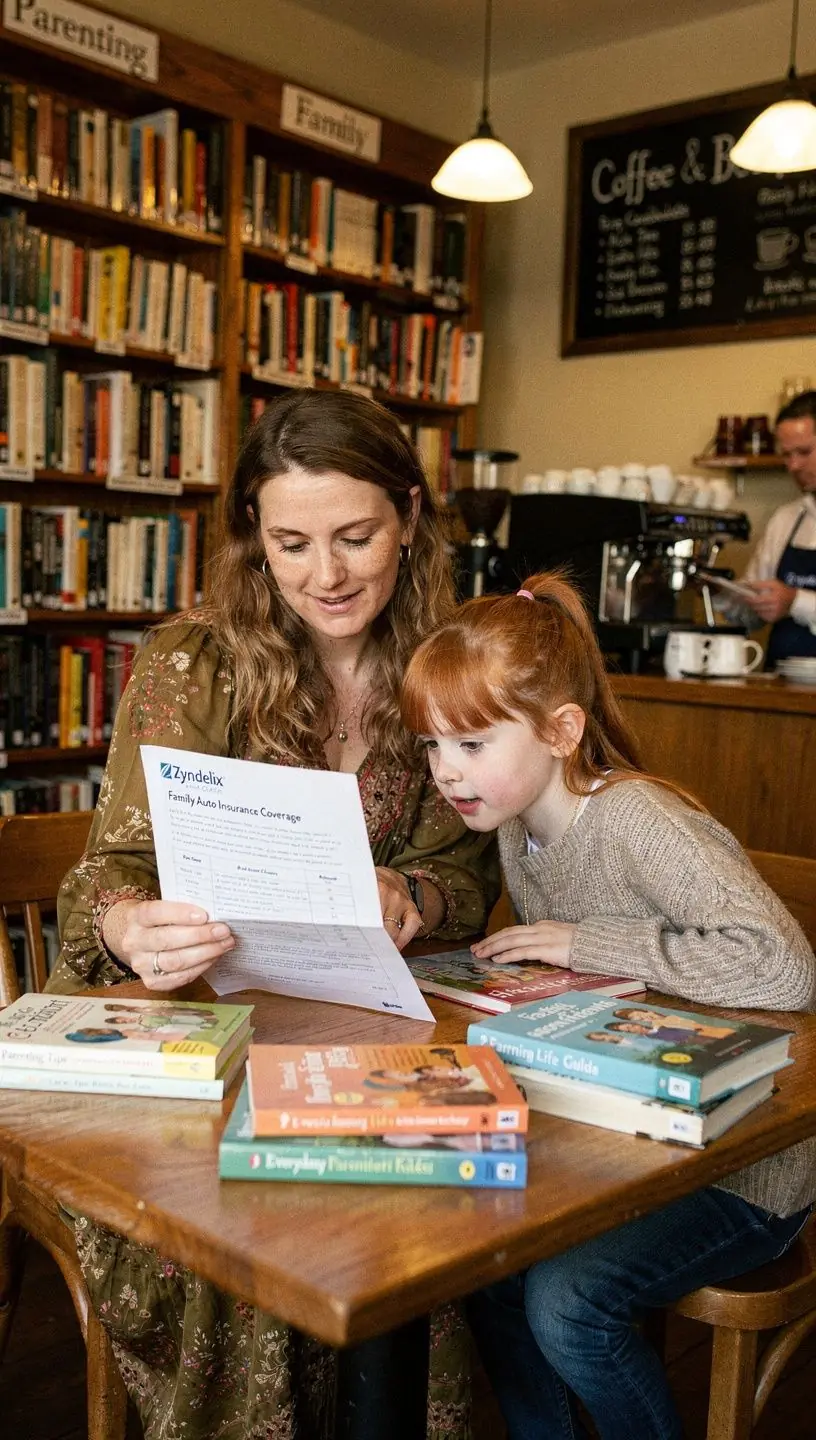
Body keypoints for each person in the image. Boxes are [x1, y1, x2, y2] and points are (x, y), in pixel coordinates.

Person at [50, 389, 500, 1440]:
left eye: (356, 537)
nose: (325, 574)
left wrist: (415, 895)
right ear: (255, 534)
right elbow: (106, 874)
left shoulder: (444, 663)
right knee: (250, 1212)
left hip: (364, 1024)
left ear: (409, 517)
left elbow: (468, 876)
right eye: (291, 543)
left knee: (418, 1194)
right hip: (193, 1022)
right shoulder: (190, 661)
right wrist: (129, 927)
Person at [400, 570, 815, 1440]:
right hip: (637, 1138)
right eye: (432, 745)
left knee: (568, 1304)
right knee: (484, 1264)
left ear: (561, 731)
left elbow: (784, 970)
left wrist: (585, 943)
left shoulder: (637, 820)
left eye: (471, 743)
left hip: (744, 1166)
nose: (445, 771)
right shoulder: (516, 823)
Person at [724, 389, 816, 665]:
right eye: (786, 455)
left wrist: (795, 601)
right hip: (780, 683)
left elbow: (789, 601)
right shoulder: (785, 519)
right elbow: (752, 615)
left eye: (804, 452)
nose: (793, 465)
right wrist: (723, 594)